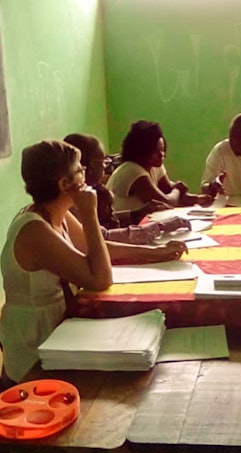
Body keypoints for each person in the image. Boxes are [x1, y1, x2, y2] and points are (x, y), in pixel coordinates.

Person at [0, 141, 188, 387]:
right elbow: (100, 279)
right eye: (80, 170)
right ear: (64, 184)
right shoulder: (35, 230)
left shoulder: (55, 213)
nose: (86, 175)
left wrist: (155, 252)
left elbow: (96, 248)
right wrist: (89, 213)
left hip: (59, 334)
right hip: (33, 354)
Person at [64, 133, 190, 244]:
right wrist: (159, 227)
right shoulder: (70, 203)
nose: (105, 166)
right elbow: (105, 238)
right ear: (88, 166)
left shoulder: (89, 191)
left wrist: (138, 213)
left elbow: (105, 223)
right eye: (103, 161)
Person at [107, 120, 213, 212]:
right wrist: (177, 188)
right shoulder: (131, 170)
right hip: (123, 227)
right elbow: (167, 202)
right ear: (142, 150)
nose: (162, 155)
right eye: (156, 151)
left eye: (162, 150)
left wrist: (199, 199)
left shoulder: (155, 166)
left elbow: (170, 192)